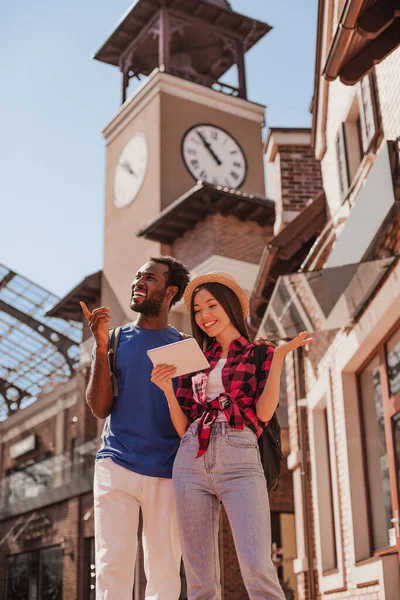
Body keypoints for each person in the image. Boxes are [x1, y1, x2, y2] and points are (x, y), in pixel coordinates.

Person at [151, 272, 312, 600]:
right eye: (197, 310)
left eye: (211, 305)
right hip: (191, 457)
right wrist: (167, 389)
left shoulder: (259, 353)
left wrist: (278, 359)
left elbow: (264, 414)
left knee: (258, 569)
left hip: (239, 452)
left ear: (230, 307)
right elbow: (184, 427)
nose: (204, 315)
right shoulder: (195, 361)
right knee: (199, 580)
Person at [80, 256, 191, 600]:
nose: (138, 281)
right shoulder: (113, 340)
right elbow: (99, 409)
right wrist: (100, 348)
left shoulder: (184, 347)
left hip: (168, 470)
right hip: (115, 464)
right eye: (138, 275)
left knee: (164, 572)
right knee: (111, 567)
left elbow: (188, 419)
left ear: (170, 291)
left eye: (150, 278)